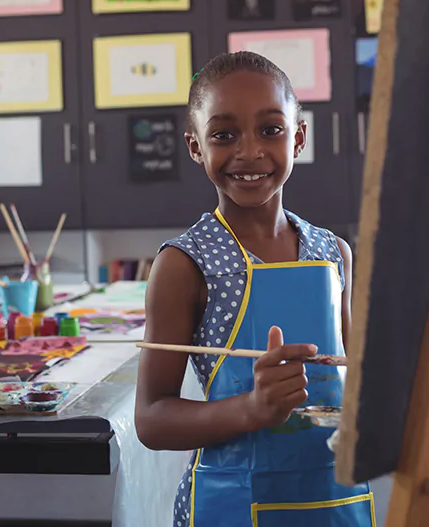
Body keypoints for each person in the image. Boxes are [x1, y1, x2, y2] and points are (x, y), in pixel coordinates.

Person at [135, 51, 374, 526]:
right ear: (195, 146)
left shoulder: (333, 252)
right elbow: (151, 419)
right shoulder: (183, 264)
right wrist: (253, 408)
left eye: (271, 130)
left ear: (298, 137)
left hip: (334, 501)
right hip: (231, 505)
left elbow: (351, 382)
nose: (249, 152)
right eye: (223, 135)